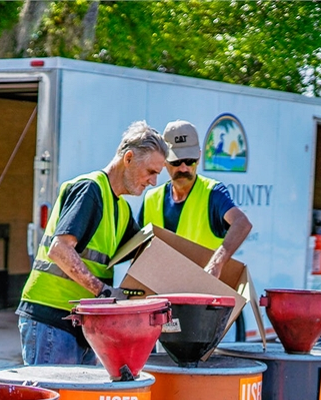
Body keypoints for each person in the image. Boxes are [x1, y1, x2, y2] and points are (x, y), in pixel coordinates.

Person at [17, 121, 168, 366]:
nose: (153, 182)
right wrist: (103, 292)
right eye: (151, 172)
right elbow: (59, 249)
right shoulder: (90, 190)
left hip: (83, 322)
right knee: (55, 391)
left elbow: (145, 251)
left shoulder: (121, 209)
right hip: (53, 318)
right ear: (128, 158)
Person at [139, 120, 253, 279]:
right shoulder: (151, 199)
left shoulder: (213, 193)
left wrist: (216, 264)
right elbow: (138, 252)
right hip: (160, 290)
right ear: (164, 160)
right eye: (176, 162)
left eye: (190, 161)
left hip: (201, 291)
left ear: (199, 157)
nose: (184, 168)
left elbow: (242, 223)